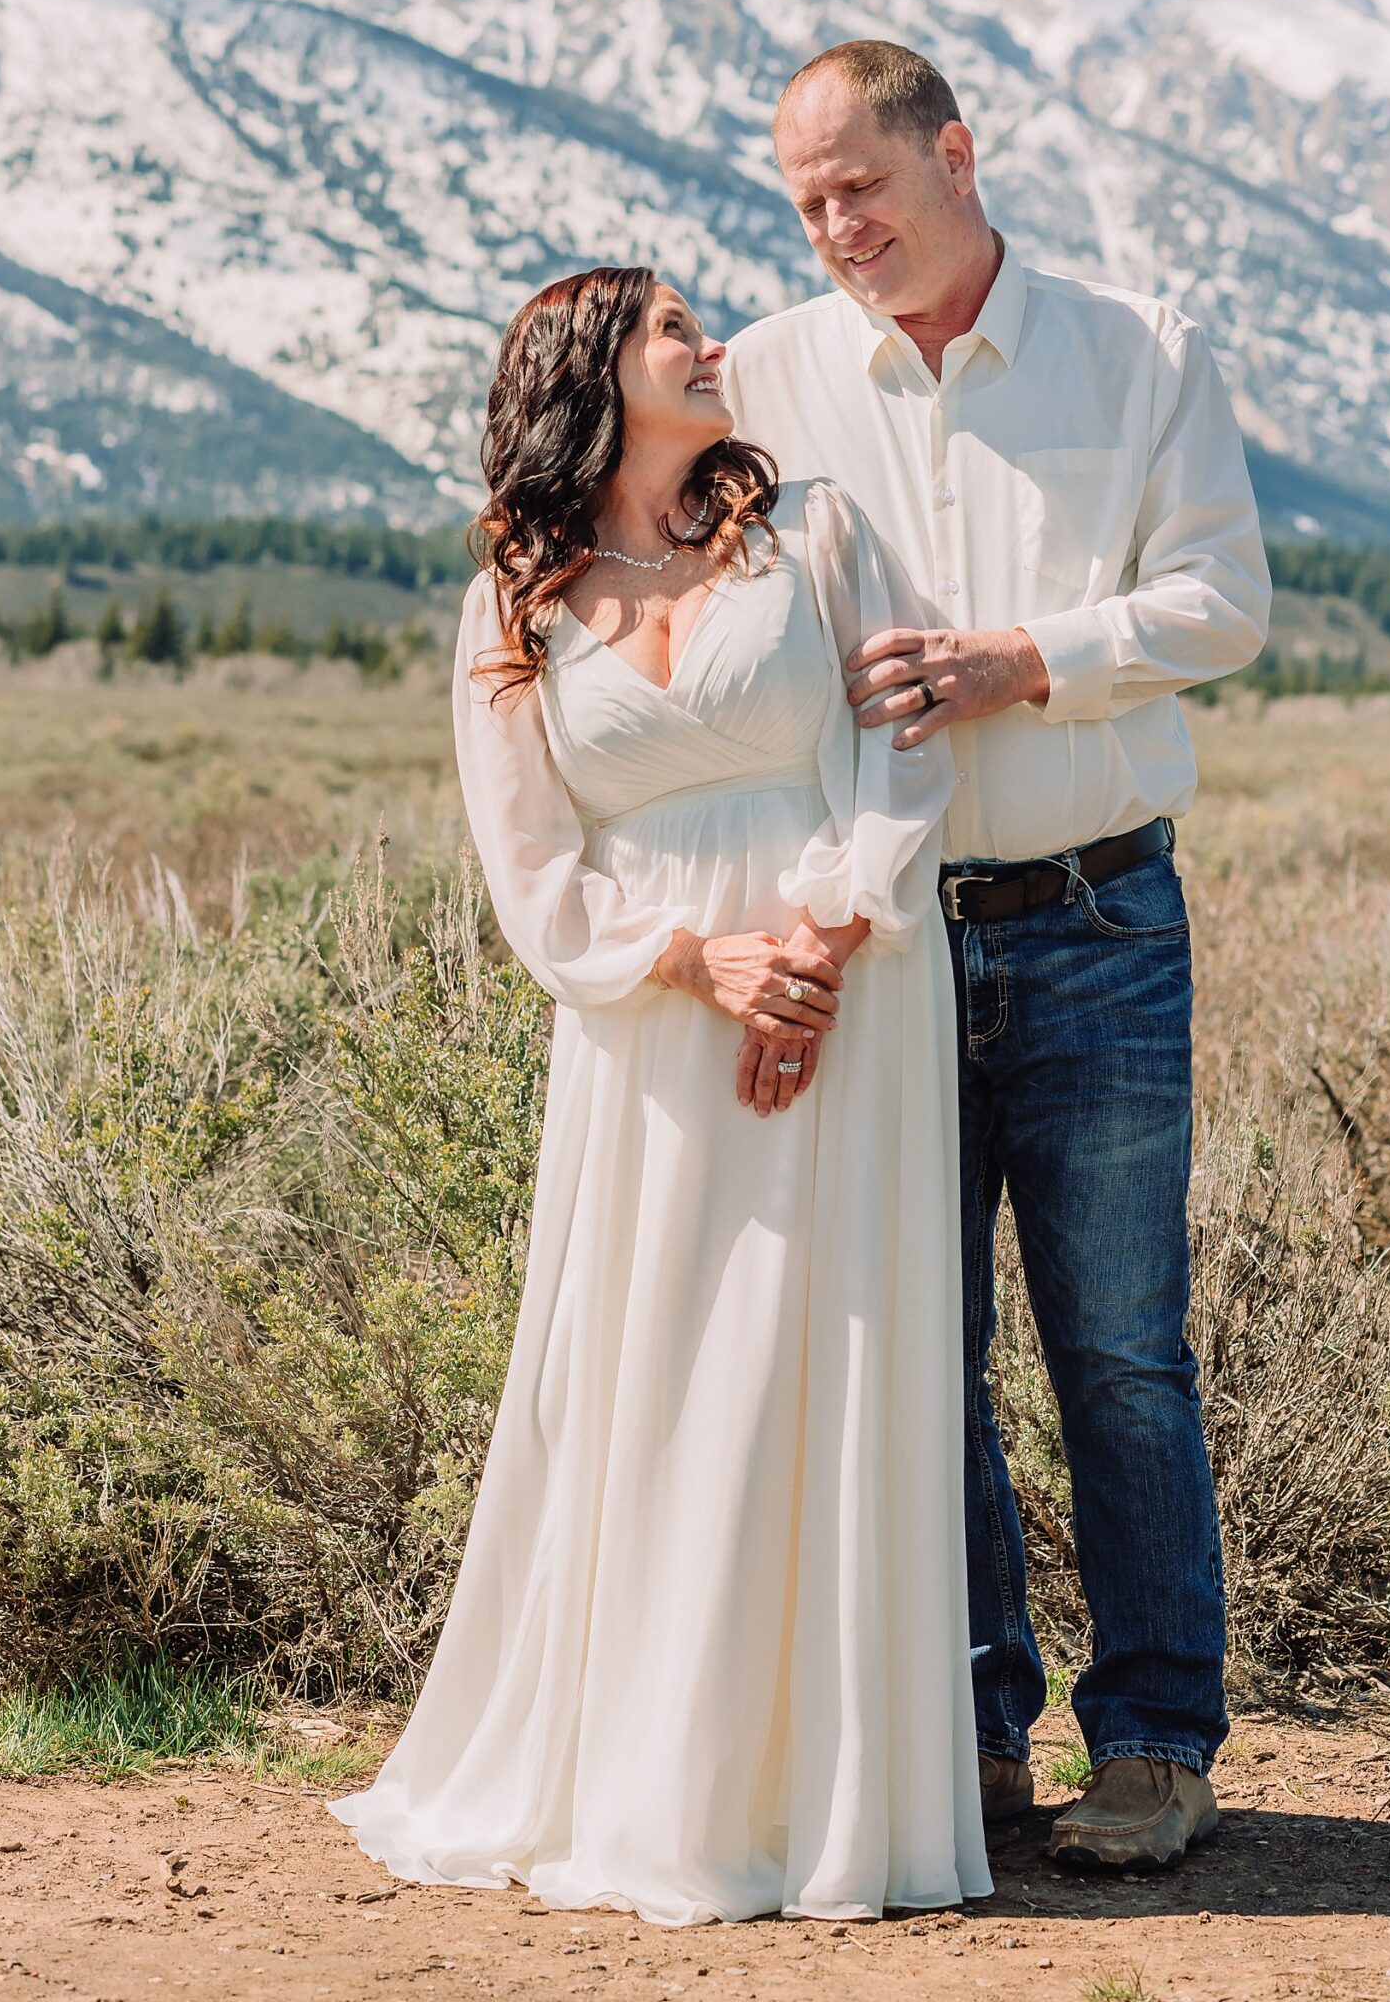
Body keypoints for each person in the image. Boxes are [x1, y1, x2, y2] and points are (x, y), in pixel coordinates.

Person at [331, 264, 990, 1926]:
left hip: (857, 990)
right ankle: (651, 1783)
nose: (714, 344)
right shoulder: (514, 601)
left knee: (831, 1355)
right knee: (663, 1366)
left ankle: (832, 1803)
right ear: (592, 376)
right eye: (674, 330)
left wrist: (822, 944)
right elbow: (532, 868)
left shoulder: (815, 535)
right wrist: (707, 965)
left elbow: (907, 743)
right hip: (650, 1020)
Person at [720, 40, 1271, 1875]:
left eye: (858, 186)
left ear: (955, 153)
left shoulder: (1140, 352)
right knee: (912, 1351)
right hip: (883, 947)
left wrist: (1016, 660)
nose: (833, 227)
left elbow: (1222, 601)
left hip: (1099, 917)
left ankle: (1154, 1738)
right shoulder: (768, 376)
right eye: (802, 203)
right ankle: (963, 1730)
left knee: (1118, 1350)